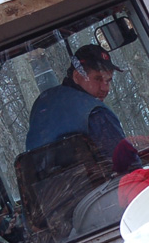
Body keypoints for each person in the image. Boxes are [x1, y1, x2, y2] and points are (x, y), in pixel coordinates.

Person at [26, 44, 142, 174]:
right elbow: (128, 167)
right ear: (76, 76)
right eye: (98, 79)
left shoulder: (42, 104)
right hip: (95, 190)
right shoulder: (95, 113)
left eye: (108, 81)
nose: (105, 88)